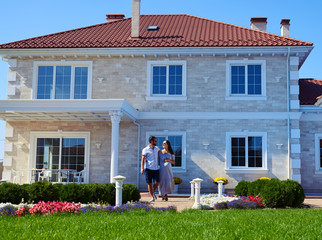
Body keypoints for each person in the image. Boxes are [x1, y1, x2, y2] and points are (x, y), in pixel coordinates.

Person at [141, 136, 160, 202]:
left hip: (156, 168)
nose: (156, 142)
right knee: (149, 183)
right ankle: (152, 197)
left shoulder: (157, 148)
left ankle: (153, 192)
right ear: (151, 141)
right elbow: (143, 159)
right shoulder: (145, 149)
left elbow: (162, 153)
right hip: (148, 168)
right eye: (155, 141)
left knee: (157, 182)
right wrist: (142, 168)